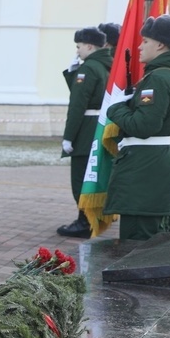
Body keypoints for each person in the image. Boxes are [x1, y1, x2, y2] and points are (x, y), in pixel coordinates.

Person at [103, 15, 170, 241]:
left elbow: (144, 126)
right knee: (150, 243)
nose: (140, 47)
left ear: (160, 44)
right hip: (157, 164)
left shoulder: (159, 78)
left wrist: (116, 108)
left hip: (145, 170)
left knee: (137, 243)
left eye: (145, 41)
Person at [57, 27, 112, 238]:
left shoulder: (88, 68)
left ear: (89, 46)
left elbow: (78, 104)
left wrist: (69, 136)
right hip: (100, 126)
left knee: (81, 178)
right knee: (96, 176)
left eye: (79, 47)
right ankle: (94, 218)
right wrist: (72, 74)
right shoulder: (105, 65)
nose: (77, 51)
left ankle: (84, 221)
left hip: (86, 130)